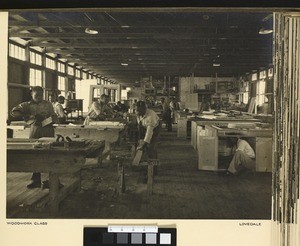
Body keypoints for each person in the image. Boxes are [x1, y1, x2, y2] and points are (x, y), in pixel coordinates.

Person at [10, 86, 59, 189]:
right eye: (37, 95)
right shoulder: (27, 105)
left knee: (51, 153)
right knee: (35, 153)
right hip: (35, 130)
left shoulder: (48, 104)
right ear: (32, 94)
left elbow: (54, 116)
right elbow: (14, 112)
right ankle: (36, 180)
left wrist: (50, 119)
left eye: (41, 95)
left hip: (47, 129)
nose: (39, 97)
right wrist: (30, 115)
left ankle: (54, 180)